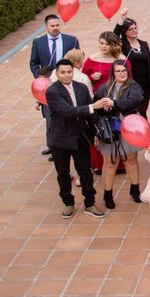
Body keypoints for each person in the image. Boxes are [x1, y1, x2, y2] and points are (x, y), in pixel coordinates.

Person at [45, 59, 106, 219]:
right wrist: (94, 106)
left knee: (85, 171)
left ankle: (89, 203)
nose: (66, 75)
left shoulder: (81, 88)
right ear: (57, 74)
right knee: (63, 173)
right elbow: (68, 111)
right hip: (60, 138)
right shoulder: (52, 91)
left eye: (69, 72)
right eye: (63, 72)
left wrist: (96, 133)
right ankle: (68, 202)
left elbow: (91, 115)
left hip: (80, 136)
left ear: (74, 72)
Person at [93, 60, 144, 210]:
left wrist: (114, 103)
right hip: (109, 128)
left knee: (131, 159)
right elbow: (95, 106)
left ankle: (135, 189)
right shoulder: (105, 88)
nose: (121, 74)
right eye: (118, 71)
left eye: (124, 71)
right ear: (112, 73)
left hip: (129, 126)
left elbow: (133, 101)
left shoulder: (134, 86)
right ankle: (107, 194)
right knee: (109, 162)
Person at [30, 14, 80, 155]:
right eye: (52, 26)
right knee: (50, 116)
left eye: (57, 25)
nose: (56, 28)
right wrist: (40, 78)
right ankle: (53, 146)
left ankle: (72, 142)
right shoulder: (38, 43)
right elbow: (33, 63)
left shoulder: (71, 40)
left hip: (67, 81)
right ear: (46, 27)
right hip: (48, 85)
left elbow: (77, 60)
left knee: (69, 110)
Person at [81, 31, 131, 174]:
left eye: (107, 44)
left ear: (113, 45)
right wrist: (92, 77)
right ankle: (98, 163)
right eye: (101, 43)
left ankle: (121, 164)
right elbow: (83, 79)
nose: (103, 46)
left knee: (118, 128)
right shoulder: (91, 59)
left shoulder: (122, 59)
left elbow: (128, 78)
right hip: (98, 100)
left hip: (117, 99)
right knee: (100, 129)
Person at [113, 9, 150, 118]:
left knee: (142, 113)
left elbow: (149, 65)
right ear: (125, 32)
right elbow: (113, 38)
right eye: (131, 29)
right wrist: (121, 20)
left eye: (135, 28)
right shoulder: (122, 45)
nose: (134, 30)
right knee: (131, 113)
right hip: (130, 85)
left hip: (144, 86)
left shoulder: (144, 44)